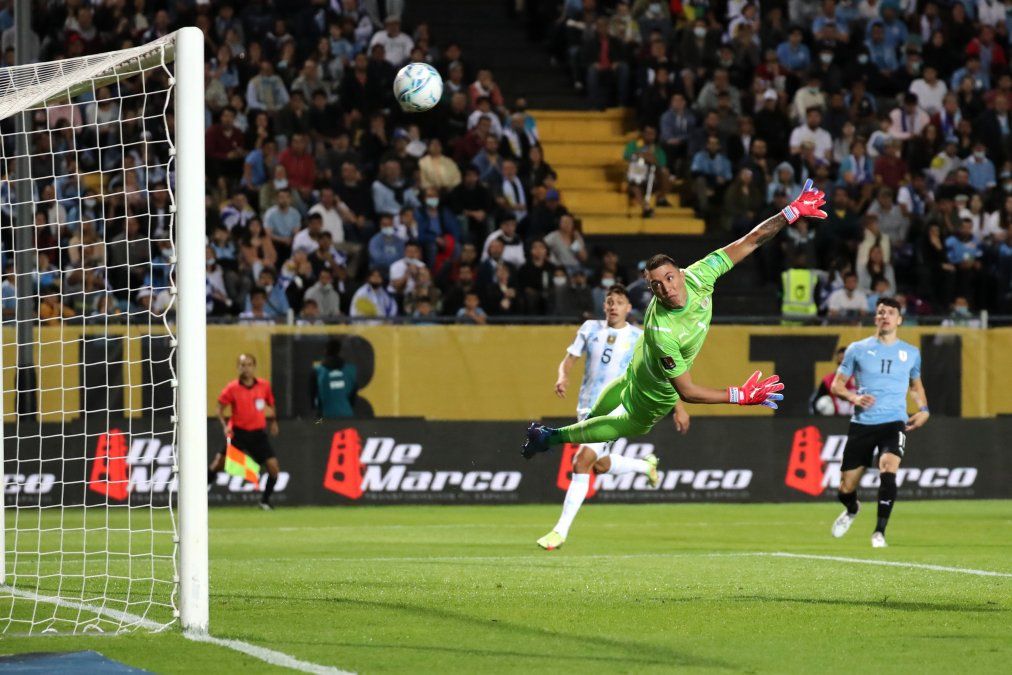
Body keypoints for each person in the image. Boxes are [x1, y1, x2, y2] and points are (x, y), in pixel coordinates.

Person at [523, 180, 828, 459]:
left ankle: (586, 425)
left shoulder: (701, 273)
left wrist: (792, 211)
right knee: (629, 422)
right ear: (650, 289)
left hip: (640, 363)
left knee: (623, 384)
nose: (666, 288)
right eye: (657, 285)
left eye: (669, 278)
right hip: (655, 390)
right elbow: (687, 391)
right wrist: (739, 395)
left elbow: (751, 240)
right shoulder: (662, 330)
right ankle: (550, 437)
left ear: (682, 273)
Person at [536, 284, 689, 551]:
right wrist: (563, 376)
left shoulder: (640, 337)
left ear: (629, 309)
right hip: (586, 408)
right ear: (604, 306)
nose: (613, 306)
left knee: (581, 462)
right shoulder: (589, 328)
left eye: (619, 302)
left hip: (618, 408)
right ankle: (645, 467)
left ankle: (559, 532)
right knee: (599, 465)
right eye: (609, 302)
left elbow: (663, 373)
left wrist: (679, 407)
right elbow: (569, 359)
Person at [829, 297, 930, 548]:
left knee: (888, 467)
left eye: (890, 312)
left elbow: (915, 385)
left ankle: (879, 532)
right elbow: (836, 385)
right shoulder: (857, 349)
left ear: (899, 319)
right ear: (876, 318)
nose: (885, 316)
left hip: (894, 421)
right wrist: (854, 397)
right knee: (845, 488)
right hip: (863, 423)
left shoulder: (911, 353)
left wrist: (924, 409)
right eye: (881, 312)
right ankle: (852, 508)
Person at [208, 354, 282, 510]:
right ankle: (198, 497)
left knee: (274, 468)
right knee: (217, 465)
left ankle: (265, 501)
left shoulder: (264, 386)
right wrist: (225, 425)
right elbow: (219, 409)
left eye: (249, 364)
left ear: (254, 367)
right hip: (238, 433)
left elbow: (271, 403)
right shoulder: (232, 388)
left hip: (258, 434)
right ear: (238, 367)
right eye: (242, 365)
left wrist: (273, 421)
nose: (246, 368)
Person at [311, 338, 358, 419]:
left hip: (323, 418)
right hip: (347, 416)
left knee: (316, 424)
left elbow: (312, 396)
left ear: (325, 351)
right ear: (340, 351)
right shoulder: (351, 370)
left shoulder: (317, 371)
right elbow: (353, 396)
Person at [811, 347, 856, 416]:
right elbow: (816, 400)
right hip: (835, 415)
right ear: (837, 360)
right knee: (824, 402)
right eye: (841, 359)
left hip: (856, 414)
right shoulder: (829, 379)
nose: (843, 362)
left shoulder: (860, 377)